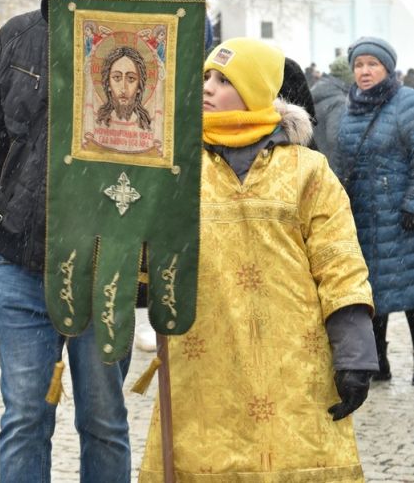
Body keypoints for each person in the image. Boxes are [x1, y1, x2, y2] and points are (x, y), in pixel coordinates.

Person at [139, 37, 378, 482]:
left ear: (254, 89)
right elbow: (146, 258)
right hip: (203, 362)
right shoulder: (176, 169)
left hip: (293, 365)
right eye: (205, 77)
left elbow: (339, 260)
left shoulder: (307, 170)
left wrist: (355, 355)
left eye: (224, 79)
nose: (207, 87)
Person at [0, 0, 133, 482]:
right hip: (22, 259)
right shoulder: (17, 37)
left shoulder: (139, 38)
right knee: (24, 415)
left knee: (102, 418)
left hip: (105, 262)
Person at [334, 37, 414, 383]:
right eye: (358, 65)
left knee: (411, 294)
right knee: (371, 295)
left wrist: (411, 203)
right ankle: (378, 363)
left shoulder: (405, 102)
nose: (364, 72)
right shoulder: (350, 107)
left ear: (387, 68)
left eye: (372, 64)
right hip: (364, 218)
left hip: (402, 220)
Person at [311, 55, 354, 170]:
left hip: (314, 162)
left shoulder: (319, 89)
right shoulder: (339, 101)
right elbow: (336, 139)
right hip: (330, 167)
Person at [96, 45, 152, 130]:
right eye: (117, 78)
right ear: (108, 85)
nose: (123, 89)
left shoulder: (145, 126)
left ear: (139, 87)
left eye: (131, 78)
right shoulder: (100, 122)